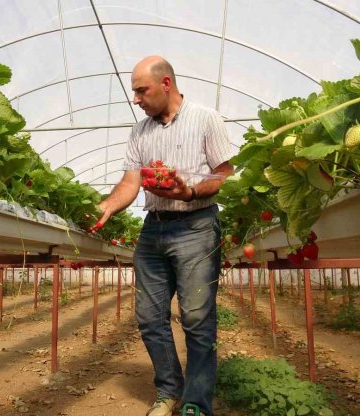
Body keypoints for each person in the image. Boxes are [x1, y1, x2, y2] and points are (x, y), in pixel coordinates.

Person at [96, 56, 235, 416]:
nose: (136, 98)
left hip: (197, 226)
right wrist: (109, 205)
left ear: (166, 84)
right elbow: (130, 182)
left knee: (197, 318)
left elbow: (225, 176)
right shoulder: (139, 132)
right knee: (149, 316)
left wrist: (188, 191)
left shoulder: (206, 119)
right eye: (135, 92)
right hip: (153, 228)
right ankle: (168, 390)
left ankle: (196, 402)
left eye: (142, 90)